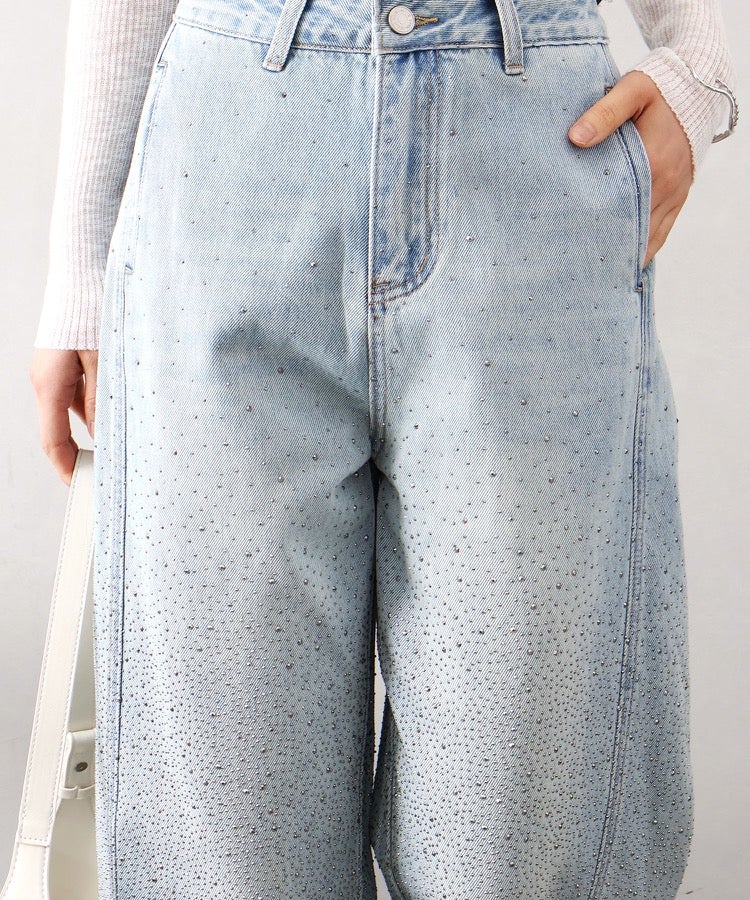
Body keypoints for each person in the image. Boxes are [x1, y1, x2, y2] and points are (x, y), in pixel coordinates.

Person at [28, 0, 738, 898]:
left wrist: (697, 68)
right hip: (230, 167)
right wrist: (79, 271)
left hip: (531, 157)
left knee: (528, 820)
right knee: (227, 836)